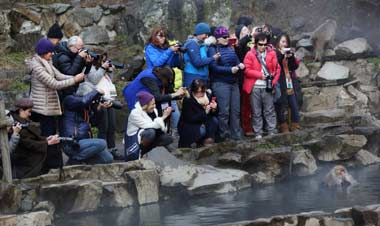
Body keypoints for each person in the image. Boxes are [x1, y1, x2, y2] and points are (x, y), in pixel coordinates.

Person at [28, 38, 84, 171]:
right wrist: (74, 80)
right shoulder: (36, 66)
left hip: (49, 106)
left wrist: (74, 78)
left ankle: (54, 164)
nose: (52, 54)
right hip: (42, 108)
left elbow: (59, 75)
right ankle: (50, 166)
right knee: (49, 137)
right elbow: (54, 84)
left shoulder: (46, 62)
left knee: (53, 135)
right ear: (43, 52)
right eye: (49, 52)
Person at [60, 82, 114, 165]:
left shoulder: (87, 107)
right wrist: (96, 91)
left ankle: (83, 161)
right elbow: (83, 101)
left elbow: (95, 123)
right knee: (102, 143)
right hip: (71, 142)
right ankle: (75, 160)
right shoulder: (69, 100)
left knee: (108, 158)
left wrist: (99, 109)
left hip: (85, 143)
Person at [9, 98, 61, 179]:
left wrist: (46, 139)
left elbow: (32, 138)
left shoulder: (23, 120)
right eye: (29, 111)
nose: (30, 114)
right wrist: (47, 143)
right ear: (21, 110)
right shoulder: (15, 125)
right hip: (22, 159)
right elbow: (27, 143)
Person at [208, 26, 244, 141]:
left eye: (228, 36)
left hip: (233, 83)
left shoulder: (230, 48)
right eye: (224, 37)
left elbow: (236, 61)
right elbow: (213, 67)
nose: (227, 38)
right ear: (217, 38)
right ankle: (225, 136)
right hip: (220, 83)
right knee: (224, 111)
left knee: (236, 111)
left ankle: (236, 135)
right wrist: (229, 70)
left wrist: (240, 65)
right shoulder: (213, 49)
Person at [243, 32, 280, 139]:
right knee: (256, 111)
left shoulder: (272, 53)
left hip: (267, 86)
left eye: (265, 44)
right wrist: (259, 75)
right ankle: (258, 132)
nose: (263, 47)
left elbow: (277, 69)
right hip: (255, 86)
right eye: (260, 44)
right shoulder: (250, 54)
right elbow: (246, 70)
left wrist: (273, 82)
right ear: (256, 44)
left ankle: (271, 130)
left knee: (269, 109)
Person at [86, 52, 123, 159]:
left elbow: (109, 85)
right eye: (103, 60)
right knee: (104, 127)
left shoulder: (104, 71)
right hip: (99, 102)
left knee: (111, 127)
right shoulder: (91, 68)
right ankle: (102, 151)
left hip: (110, 101)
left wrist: (110, 72)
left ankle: (112, 150)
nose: (106, 63)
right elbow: (94, 80)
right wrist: (103, 68)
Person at [125, 91, 173, 161]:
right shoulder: (135, 113)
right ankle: (142, 152)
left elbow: (160, 128)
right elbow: (148, 125)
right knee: (150, 133)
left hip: (150, 136)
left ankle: (152, 152)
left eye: (154, 104)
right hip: (136, 138)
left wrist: (164, 119)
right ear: (145, 105)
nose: (154, 106)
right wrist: (163, 117)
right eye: (152, 104)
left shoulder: (154, 111)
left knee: (168, 138)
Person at [178, 79, 218, 148]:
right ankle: (195, 142)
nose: (200, 94)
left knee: (214, 121)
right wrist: (205, 112)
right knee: (201, 130)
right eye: (197, 92)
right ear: (193, 91)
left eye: (202, 92)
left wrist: (214, 108)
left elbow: (215, 113)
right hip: (189, 125)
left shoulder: (208, 95)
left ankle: (207, 140)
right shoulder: (188, 99)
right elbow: (190, 119)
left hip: (203, 120)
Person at [274, 33, 301, 133]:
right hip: (279, 80)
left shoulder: (289, 52)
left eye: (286, 42)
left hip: (289, 80)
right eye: (283, 42)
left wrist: (291, 57)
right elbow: (275, 63)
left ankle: (295, 124)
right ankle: (283, 124)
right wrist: (282, 55)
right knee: (281, 103)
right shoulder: (274, 52)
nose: (285, 44)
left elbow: (294, 67)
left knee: (293, 102)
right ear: (278, 42)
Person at [183, 22, 220, 87]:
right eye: (205, 34)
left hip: (202, 77)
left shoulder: (202, 44)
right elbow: (197, 62)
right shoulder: (192, 44)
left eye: (208, 34)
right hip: (192, 77)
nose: (207, 36)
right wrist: (213, 58)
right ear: (199, 33)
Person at [235, 24, 255, 136]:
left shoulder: (249, 48)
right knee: (244, 104)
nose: (247, 34)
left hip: (252, 77)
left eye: (248, 31)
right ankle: (246, 127)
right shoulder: (237, 47)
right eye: (244, 32)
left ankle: (254, 125)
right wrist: (247, 37)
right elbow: (240, 46)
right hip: (241, 79)